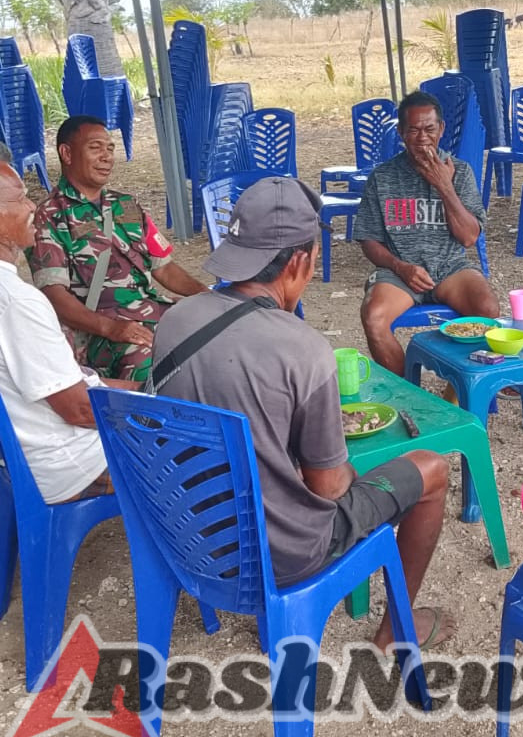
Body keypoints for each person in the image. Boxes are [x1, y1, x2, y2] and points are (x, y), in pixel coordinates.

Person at [152, 176, 456, 651]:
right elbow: (329, 487)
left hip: (186, 531)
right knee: (431, 469)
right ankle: (393, 632)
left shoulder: (175, 318)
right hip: (277, 555)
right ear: (299, 260)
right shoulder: (302, 349)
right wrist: (350, 467)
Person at [0, 139, 138, 504]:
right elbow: (82, 410)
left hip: (23, 452)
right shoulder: (14, 301)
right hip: (74, 467)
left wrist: (135, 388)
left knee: (156, 391)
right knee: (217, 441)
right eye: (20, 198)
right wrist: (154, 400)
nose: (32, 208)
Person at [29, 115, 208, 384]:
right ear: (66, 153)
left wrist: (207, 297)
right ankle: (140, 423)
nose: (106, 157)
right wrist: (111, 328)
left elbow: (165, 268)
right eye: (95, 148)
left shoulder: (126, 204)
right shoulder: (50, 215)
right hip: (98, 331)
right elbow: (54, 295)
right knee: (148, 361)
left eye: (110, 148)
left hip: (151, 312)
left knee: (218, 335)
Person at [356, 90, 499, 376]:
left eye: (429, 129)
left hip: (450, 268)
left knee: (489, 311)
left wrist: (444, 185)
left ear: (441, 129)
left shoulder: (460, 171)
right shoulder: (383, 177)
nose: (422, 138)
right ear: (401, 132)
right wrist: (401, 267)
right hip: (400, 271)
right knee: (373, 318)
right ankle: (411, 395)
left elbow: (469, 238)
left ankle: (457, 396)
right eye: (414, 130)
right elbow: (368, 239)